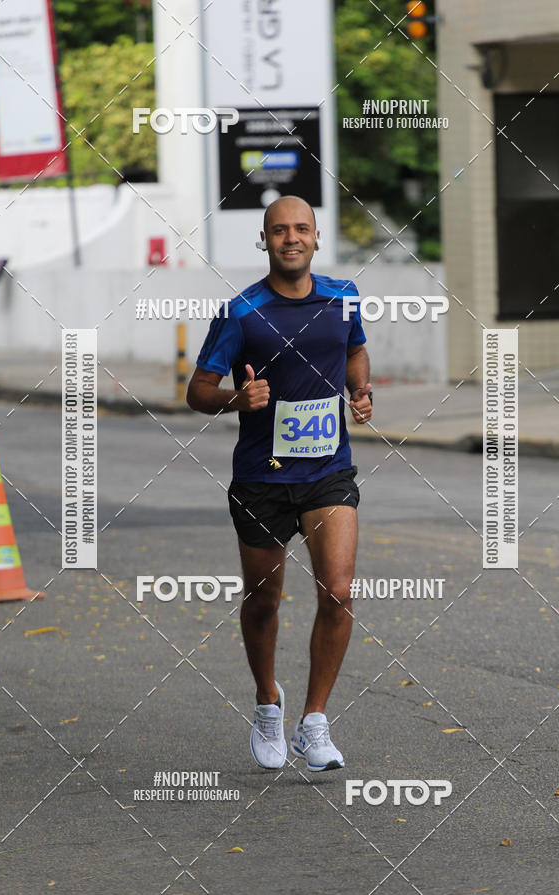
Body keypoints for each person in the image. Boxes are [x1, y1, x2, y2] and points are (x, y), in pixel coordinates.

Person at [187, 195, 372, 772]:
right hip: (261, 479)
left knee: (338, 591)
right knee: (264, 600)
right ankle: (269, 700)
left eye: (301, 229)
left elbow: (356, 351)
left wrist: (361, 393)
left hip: (327, 472)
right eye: (278, 230)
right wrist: (235, 399)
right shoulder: (242, 312)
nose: (291, 237)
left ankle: (313, 722)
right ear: (264, 241)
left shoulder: (343, 299)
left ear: (317, 238)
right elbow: (197, 390)